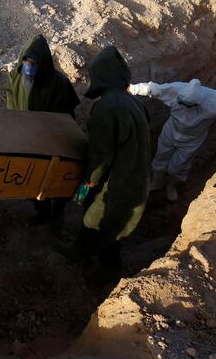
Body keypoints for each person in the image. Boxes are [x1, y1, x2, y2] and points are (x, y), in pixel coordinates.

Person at [56, 46, 151, 281]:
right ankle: (93, 256)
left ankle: (102, 269)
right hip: (137, 175)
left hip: (116, 180)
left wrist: (87, 183)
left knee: (96, 219)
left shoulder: (107, 108)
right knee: (114, 224)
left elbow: (101, 155)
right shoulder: (134, 103)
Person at [6, 34, 80, 235]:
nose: (29, 66)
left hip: (51, 140)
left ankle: (58, 214)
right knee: (30, 179)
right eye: (27, 62)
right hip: (25, 139)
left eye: (34, 63)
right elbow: (11, 104)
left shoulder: (58, 83)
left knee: (56, 181)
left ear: (43, 64)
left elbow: (66, 116)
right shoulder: (15, 77)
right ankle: (42, 211)